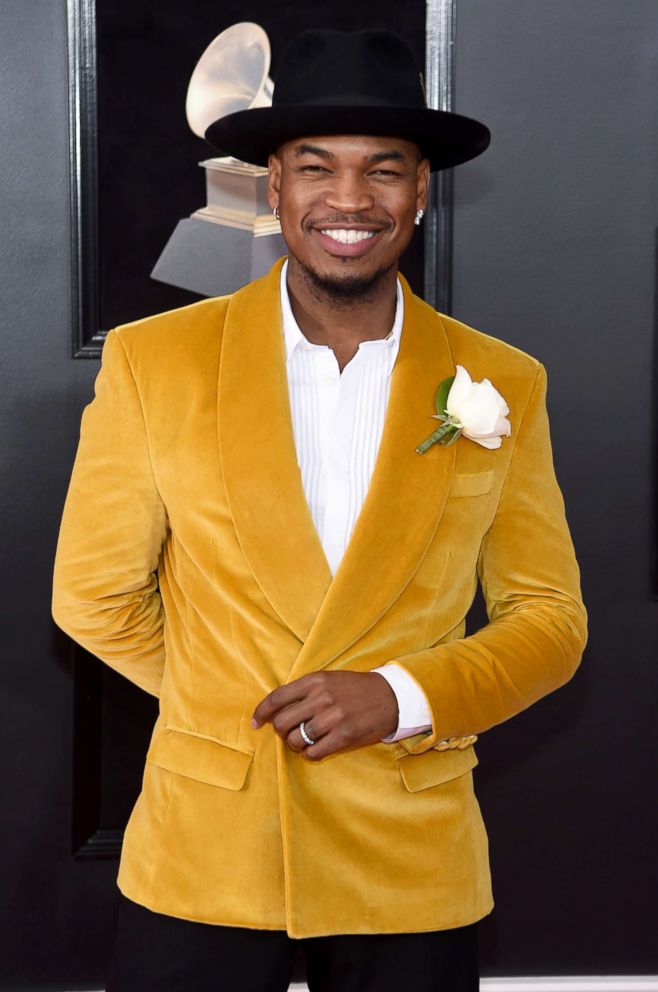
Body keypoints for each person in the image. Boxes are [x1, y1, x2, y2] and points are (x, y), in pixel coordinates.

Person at [51, 27, 587, 992]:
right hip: (210, 848)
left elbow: (549, 623)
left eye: (384, 171)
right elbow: (94, 596)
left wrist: (400, 698)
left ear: (421, 192)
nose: (350, 200)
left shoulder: (503, 381)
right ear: (273, 187)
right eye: (316, 169)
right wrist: (233, 706)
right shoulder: (155, 361)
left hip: (408, 852)